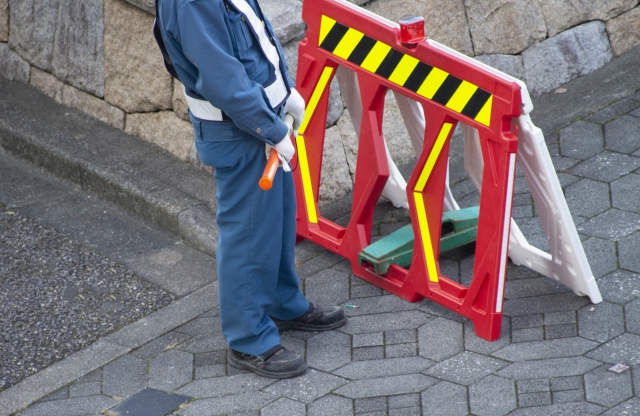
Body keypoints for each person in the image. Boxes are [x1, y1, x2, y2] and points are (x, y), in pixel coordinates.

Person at [153, 0, 347, 378]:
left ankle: (281, 302)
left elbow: (259, 39)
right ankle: (248, 340)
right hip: (240, 131)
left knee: (273, 222)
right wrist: (271, 128)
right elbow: (223, 77)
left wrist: (285, 93)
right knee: (247, 235)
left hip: (258, 120)